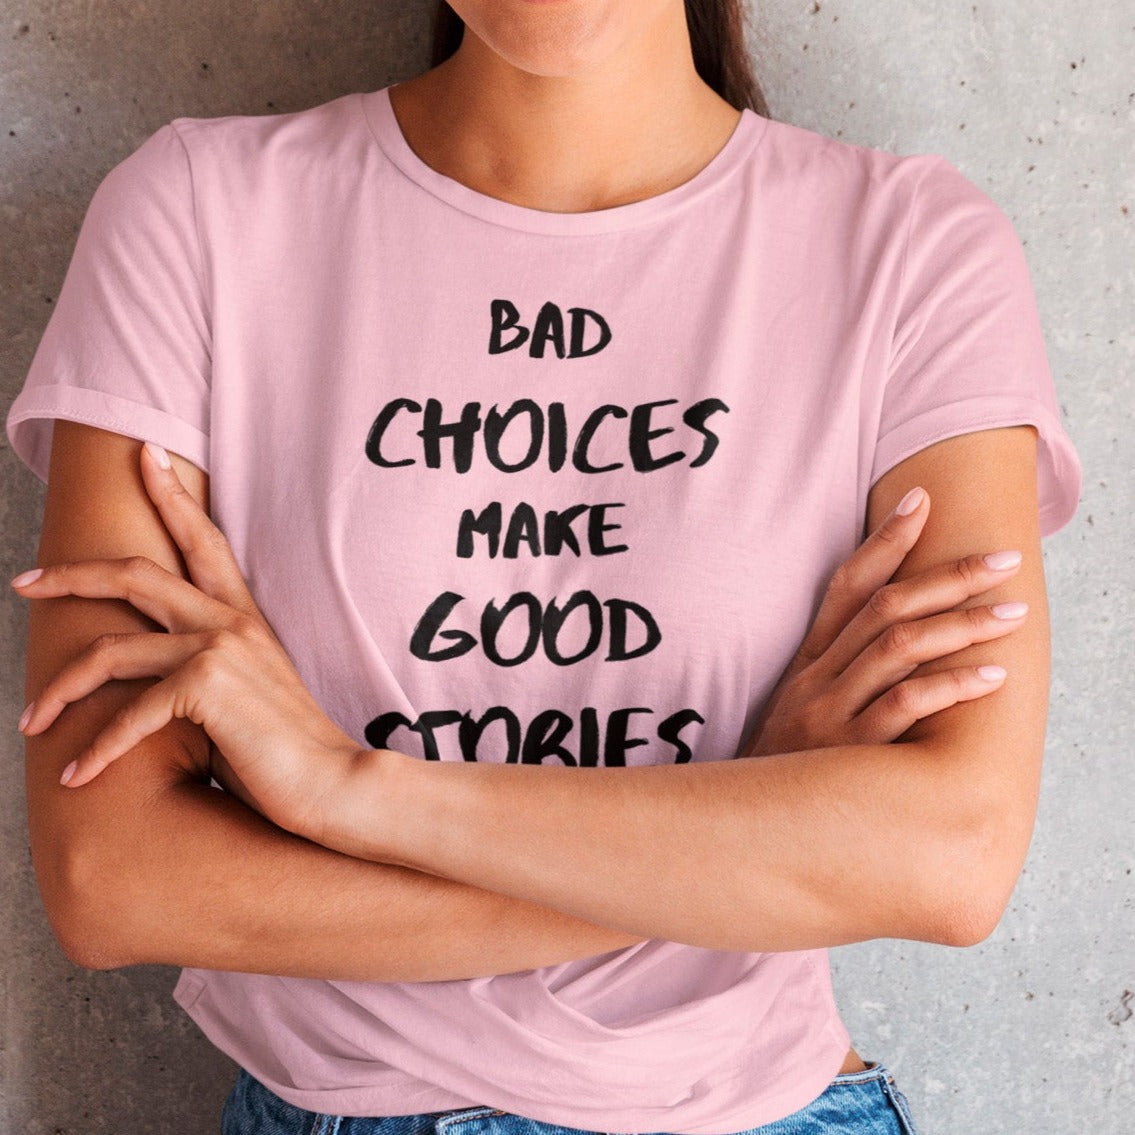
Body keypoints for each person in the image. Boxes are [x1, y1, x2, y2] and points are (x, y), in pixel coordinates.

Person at [6, 2, 1081, 1133]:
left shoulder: (912, 248)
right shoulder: (197, 213)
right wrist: (727, 836)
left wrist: (344, 789)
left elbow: (951, 854)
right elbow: (111, 875)